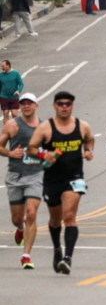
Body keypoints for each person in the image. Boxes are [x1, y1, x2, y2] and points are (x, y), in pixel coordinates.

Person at [26, 91, 95, 274]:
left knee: (69, 216)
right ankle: (57, 248)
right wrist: (43, 154)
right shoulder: (46, 128)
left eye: (68, 104)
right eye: (61, 104)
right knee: (55, 219)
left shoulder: (82, 126)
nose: (64, 107)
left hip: (74, 178)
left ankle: (68, 258)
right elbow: (31, 148)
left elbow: (90, 140)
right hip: (52, 179)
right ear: (55, 105)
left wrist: (88, 151)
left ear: (72, 105)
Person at [0, 93, 42, 269]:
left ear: (36, 106)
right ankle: (20, 228)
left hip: (35, 175)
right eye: (23, 103)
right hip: (15, 175)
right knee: (17, 218)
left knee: (31, 213)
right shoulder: (12, 125)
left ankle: (26, 255)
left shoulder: (44, 126)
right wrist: (10, 153)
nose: (26, 106)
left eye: (29, 103)